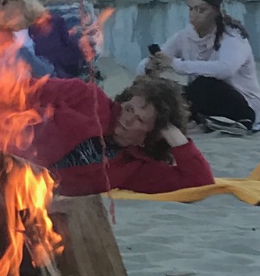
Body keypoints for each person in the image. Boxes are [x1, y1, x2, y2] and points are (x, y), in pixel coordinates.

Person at [45, 74, 216, 198]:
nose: (127, 120)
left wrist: (177, 139)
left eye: (140, 120)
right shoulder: (86, 97)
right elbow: (25, 91)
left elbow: (200, 182)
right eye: (129, 109)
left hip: (34, 193)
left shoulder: (135, 169)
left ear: (151, 136)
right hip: (20, 156)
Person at [147, 0, 260, 129]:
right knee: (161, 88)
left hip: (244, 108)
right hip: (207, 103)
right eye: (191, 9)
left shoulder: (233, 37)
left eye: (201, 10)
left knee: (204, 84)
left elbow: (225, 69)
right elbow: (156, 60)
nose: (194, 15)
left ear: (216, 10)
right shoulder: (184, 36)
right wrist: (151, 65)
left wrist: (176, 64)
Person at [0, 0, 92, 78]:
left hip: (51, 87)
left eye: (3, 2)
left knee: (19, 52)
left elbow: (72, 64)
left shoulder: (52, 27)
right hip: (11, 92)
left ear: (22, 1)